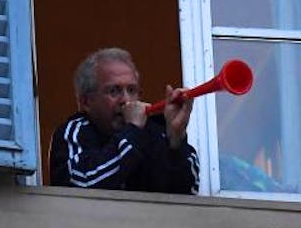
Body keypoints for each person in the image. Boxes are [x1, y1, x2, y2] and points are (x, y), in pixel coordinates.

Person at [49, 48, 199, 193]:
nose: (126, 100)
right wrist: (132, 131)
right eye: (114, 91)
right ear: (87, 102)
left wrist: (175, 140)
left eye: (132, 90)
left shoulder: (155, 133)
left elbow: (189, 193)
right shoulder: (74, 131)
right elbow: (82, 182)